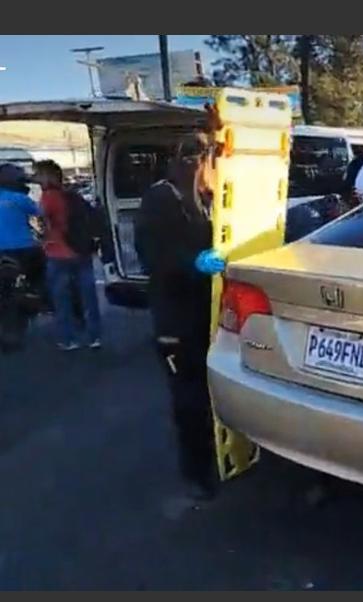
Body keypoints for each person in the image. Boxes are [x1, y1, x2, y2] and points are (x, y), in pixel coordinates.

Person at [134, 132, 226, 499]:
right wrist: (194, 262)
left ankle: (217, 456)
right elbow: (153, 256)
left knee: (210, 391)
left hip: (206, 311)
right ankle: (196, 472)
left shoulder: (205, 198)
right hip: (176, 319)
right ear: (196, 163)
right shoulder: (161, 198)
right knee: (188, 399)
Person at [34, 159, 102, 351]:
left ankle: (68, 339)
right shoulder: (73, 196)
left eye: (38, 174)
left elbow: (43, 222)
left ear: (46, 176)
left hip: (58, 252)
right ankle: (94, 336)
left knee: (62, 299)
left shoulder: (48, 197)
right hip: (81, 250)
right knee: (88, 296)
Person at [0, 164, 44, 289]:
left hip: (2, 251)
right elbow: (42, 212)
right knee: (40, 276)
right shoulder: (20, 198)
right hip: (24, 247)